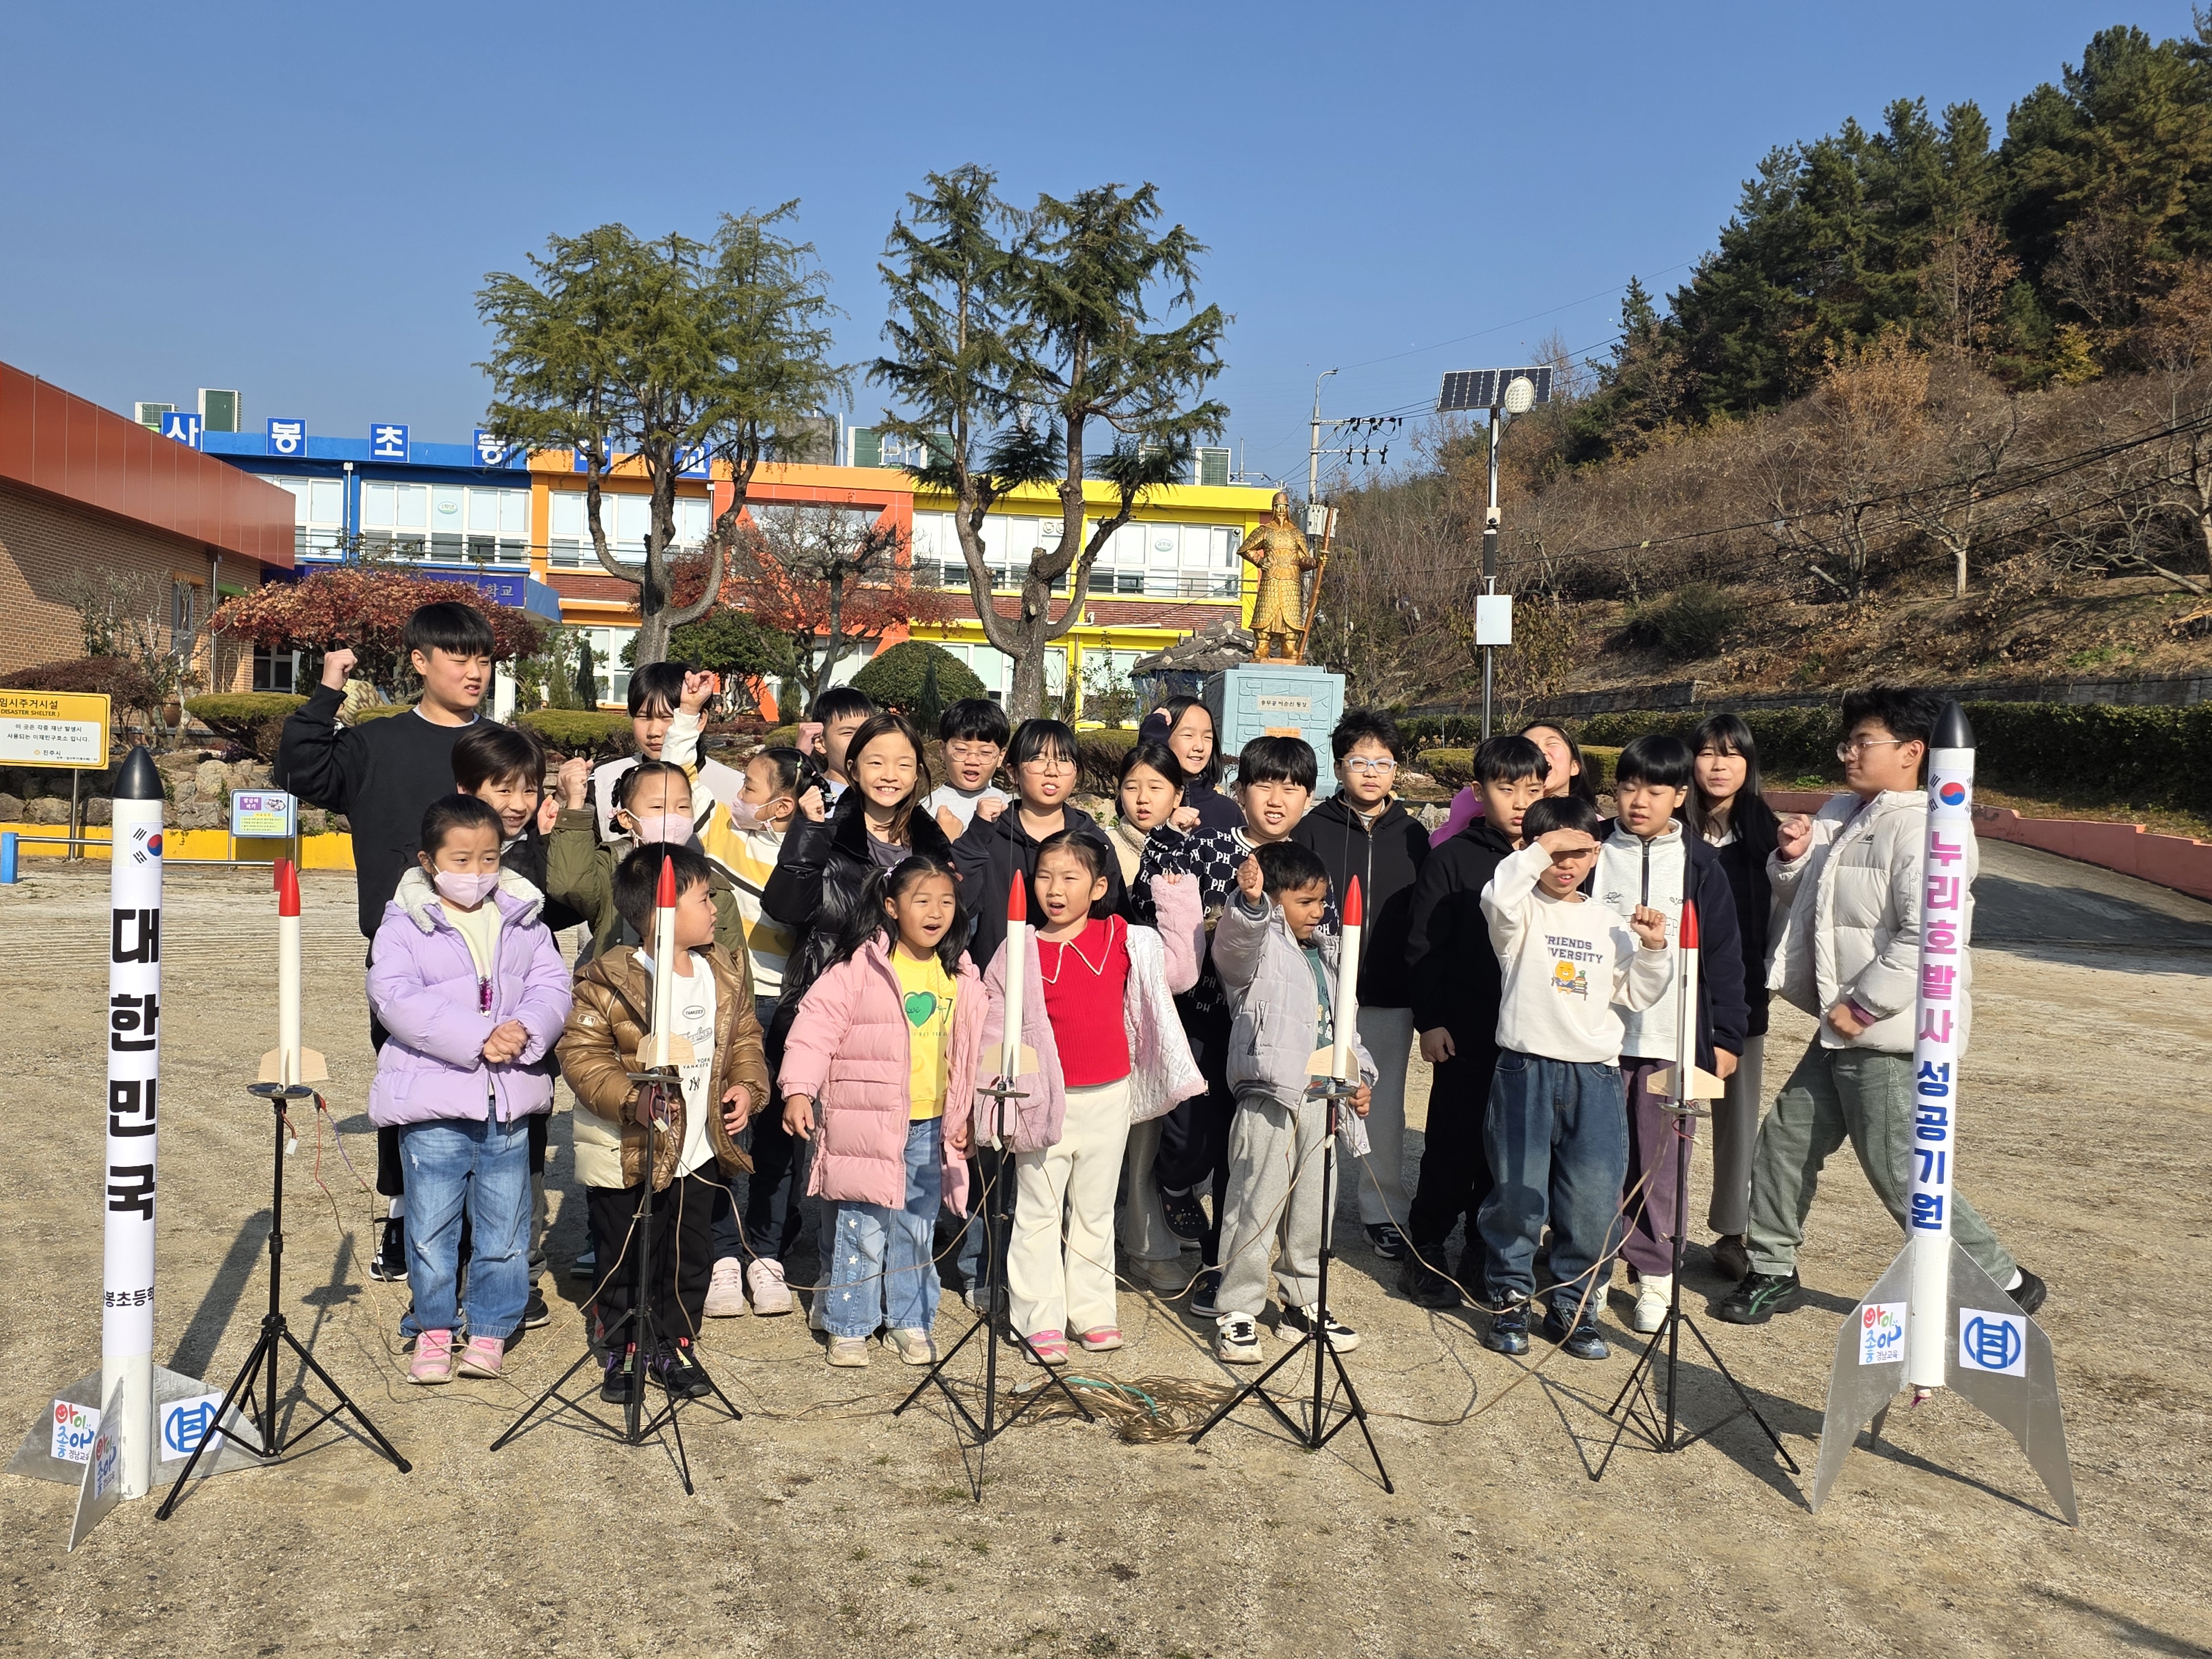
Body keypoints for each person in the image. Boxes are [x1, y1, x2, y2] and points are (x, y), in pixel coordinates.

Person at [1718, 687, 2049, 1325]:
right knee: (1785, 1142)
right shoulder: (1846, 809)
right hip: (1841, 1025)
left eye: (1862, 743)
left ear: (1912, 752)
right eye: (1847, 742)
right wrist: (1789, 858)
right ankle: (1771, 1270)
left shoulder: (1931, 828)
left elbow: (1930, 934)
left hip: (1891, 1033)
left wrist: (1864, 1007)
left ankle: (2004, 1281)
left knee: (1900, 1172)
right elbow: (1805, 897)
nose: (1848, 754)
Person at [276, 600, 495, 1284]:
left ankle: (490, 1242)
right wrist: (328, 689)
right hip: (406, 955)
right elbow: (301, 774)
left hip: (491, 951)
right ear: (419, 662)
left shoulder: (498, 746)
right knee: (411, 1093)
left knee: (497, 1090)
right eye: (458, 657)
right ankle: (406, 1221)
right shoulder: (374, 744)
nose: (475, 671)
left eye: (484, 658)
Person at [367, 795, 572, 1384]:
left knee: (505, 1228)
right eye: (462, 859)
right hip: (433, 1104)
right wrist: (479, 1036)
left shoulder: (523, 915)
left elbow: (552, 985)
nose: (477, 872)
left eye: (489, 858)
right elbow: (395, 998)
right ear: (429, 861)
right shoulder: (404, 922)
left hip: (507, 1100)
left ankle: (490, 1326)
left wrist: (525, 1030)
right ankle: (432, 1326)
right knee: (431, 1227)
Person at [763, 711, 956, 1323]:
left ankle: (892, 1292)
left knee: (900, 1150)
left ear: (921, 772)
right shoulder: (829, 825)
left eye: (903, 763)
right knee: (840, 1151)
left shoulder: (933, 840)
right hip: (835, 1003)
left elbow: (954, 927)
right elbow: (787, 906)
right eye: (875, 762)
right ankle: (838, 1280)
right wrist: (807, 836)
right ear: (851, 766)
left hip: (912, 1017)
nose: (889, 775)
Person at [557, 843, 769, 1402]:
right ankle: (625, 1347)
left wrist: (746, 1089)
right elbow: (582, 1057)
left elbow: (744, 1036)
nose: (715, 909)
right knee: (624, 1252)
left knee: (687, 1252)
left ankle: (674, 1343)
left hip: (697, 1151)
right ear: (662, 914)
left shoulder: (721, 969)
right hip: (627, 1150)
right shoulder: (606, 979)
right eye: (705, 898)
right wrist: (633, 1099)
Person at [993, 831, 1203, 1363]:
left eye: (1070, 878)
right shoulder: (1019, 947)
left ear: (1099, 885)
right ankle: (1038, 1318)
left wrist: (1177, 902)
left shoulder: (1123, 938)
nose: (1055, 890)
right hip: (1045, 1104)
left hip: (1110, 1097)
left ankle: (1091, 1311)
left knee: (1093, 1211)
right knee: (1038, 1211)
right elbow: (995, 1021)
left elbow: (1178, 974)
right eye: (1045, 876)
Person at [1477, 794, 1671, 1361]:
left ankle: (1574, 1307)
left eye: (1580, 853)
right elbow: (1498, 894)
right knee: (1517, 1194)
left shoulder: (1608, 924)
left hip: (1596, 1077)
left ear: (1596, 854)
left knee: (1590, 1202)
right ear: (1533, 852)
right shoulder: (1520, 912)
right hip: (1525, 1069)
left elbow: (1635, 993)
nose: (1567, 865)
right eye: (1555, 854)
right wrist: (1540, 851)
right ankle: (1510, 1298)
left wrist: (1654, 950)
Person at [1137, 734, 1324, 1315]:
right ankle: (1175, 1181)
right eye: (1263, 784)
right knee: (1193, 1139)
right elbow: (1154, 889)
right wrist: (1168, 833)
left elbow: (1322, 945)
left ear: (1309, 798)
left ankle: (1222, 1268)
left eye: (1291, 787)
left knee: (1240, 1162)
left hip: (1267, 1037)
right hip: (1204, 1016)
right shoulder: (1209, 845)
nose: (1276, 798)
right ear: (1238, 792)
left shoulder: (1306, 866)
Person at [777, 854, 983, 1367]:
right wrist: (799, 1089)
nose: (936, 912)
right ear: (891, 907)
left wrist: (973, 1112)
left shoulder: (960, 972)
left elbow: (979, 1048)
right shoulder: (857, 967)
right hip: (864, 1121)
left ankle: (910, 1320)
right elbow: (814, 1028)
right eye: (922, 901)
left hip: (931, 1124)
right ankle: (849, 1323)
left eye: (946, 902)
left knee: (916, 1227)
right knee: (860, 1226)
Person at [1592, 734, 1748, 1334]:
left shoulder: (1701, 867)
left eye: (1655, 790)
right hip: (1599, 1040)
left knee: (1662, 1164)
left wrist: (1725, 1038)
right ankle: (1595, 1266)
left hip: (1673, 1042)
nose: (1639, 801)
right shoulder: (1594, 851)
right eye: (1628, 786)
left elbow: (1726, 960)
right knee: (1599, 1160)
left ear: (1679, 796)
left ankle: (1655, 1275)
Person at [1209, 841, 1374, 1363]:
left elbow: (1344, 1030)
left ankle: (1304, 1299)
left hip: (1321, 1101)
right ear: (1278, 901)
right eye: (1306, 901)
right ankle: (1237, 1308)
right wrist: (1252, 903)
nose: (1319, 911)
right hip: (1270, 1101)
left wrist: (1359, 1077)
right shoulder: (1258, 952)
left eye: (1323, 901)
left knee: (1314, 1209)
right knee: (1255, 1205)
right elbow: (1235, 944)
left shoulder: (1328, 957)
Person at [1398, 733, 1547, 1307]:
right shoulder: (1452, 860)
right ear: (1479, 792)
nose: (1517, 802)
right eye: (1504, 789)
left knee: (1506, 1152)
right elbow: (1423, 948)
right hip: (1463, 1033)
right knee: (1451, 1146)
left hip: (1530, 1038)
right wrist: (1431, 1021)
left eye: (1530, 790)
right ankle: (1427, 1247)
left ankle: (1482, 1249)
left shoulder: (1555, 865)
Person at [451, 721, 578, 1329]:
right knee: (455, 1161)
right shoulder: (437, 858)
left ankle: (515, 1272)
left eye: (528, 789)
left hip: (522, 1045)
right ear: (465, 789)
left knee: (523, 1162)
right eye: (501, 789)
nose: (517, 803)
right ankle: (453, 1276)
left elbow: (563, 913)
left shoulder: (534, 852)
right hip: (456, 1051)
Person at [1292, 708, 1429, 1261]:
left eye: (1382, 762)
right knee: (1310, 1099)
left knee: (1386, 1106)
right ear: (1339, 766)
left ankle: (1382, 1210)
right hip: (1321, 992)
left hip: (1388, 994)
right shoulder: (1313, 828)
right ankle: (1306, 1210)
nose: (1370, 772)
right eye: (1358, 762)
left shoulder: (1415, 836)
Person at [694, 746, 806, 1316]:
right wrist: (688, 715)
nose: (740, 795)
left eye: (752, 787)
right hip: (732, 1006)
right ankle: (720, 1257)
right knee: (727, 1126)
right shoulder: (721, 833)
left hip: (789, 1007)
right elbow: (683, 776)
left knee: (779, 1136)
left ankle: (766, 1255)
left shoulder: (810, 853)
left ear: (783, 804)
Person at [1687, 713, 1781, 1282]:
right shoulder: (1669, 826)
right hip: (1663, 998)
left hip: (1738, 998)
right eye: (1706, 752)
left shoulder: (1768, 835)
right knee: (1655, 1112)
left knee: (1736, 1120)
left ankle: (1731, 1231)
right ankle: (1643, 1228)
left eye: (1731, 754)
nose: (1718, 765)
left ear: (1748, 764)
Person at [1107, 740, 1195, 1292]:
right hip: (1109, 1005)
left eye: (1156, 787)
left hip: (1166, 1008)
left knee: (1148, 1130)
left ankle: (1142, 1235)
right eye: (1133, 785)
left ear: (1178, 794)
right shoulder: (1103, 847)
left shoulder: (1190, 850)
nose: (1142, 799)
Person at [951, 717, 1128, 972]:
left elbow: (1113, 918)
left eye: (1064, 760)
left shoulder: (1094, 842)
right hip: (998, 985)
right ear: (1012, 772)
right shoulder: (988, 836)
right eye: (1037, 759)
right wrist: (975, 837)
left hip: (1071, 983)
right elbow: (958, 906)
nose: (1052, 771)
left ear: (1075, 773)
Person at [549, 760, 744, 964]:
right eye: (658, 806)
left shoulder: (712, 885)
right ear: (626, 818)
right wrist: (575, 806)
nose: (673, 817)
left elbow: (734, 968)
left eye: (683, 806)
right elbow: (570, 885)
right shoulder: (611, 867)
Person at [589, 664, 737, 843]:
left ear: (700, 720)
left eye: (667, 717)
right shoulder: (603, 779)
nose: (654, 731)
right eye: (644, 717)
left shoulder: (735, 789)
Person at [1429, 718, 1600, 847]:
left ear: (1575, 766)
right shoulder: (1471, 804)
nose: (1540, 752)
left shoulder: (1592, 823)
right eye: (1530, 747)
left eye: (1552, 744)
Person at [1139, 697, 1241, 831]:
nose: (1200, 747)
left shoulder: (1227, 812)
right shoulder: (1145, 805)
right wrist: (1152, 739)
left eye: (1207, 737)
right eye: (1188, 735)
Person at [925, 697, 1011, 836]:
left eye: (985, 752)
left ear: (1000, 757)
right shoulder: (927, 808)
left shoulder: (1007, 806)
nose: (972, 760)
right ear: (943, 750)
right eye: (961, 750)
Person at [806, 686, 880, 807]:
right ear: (820, 743)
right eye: (848, 733)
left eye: (867, 731)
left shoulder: (888, 796)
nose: (860, 740)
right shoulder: (812, 798)